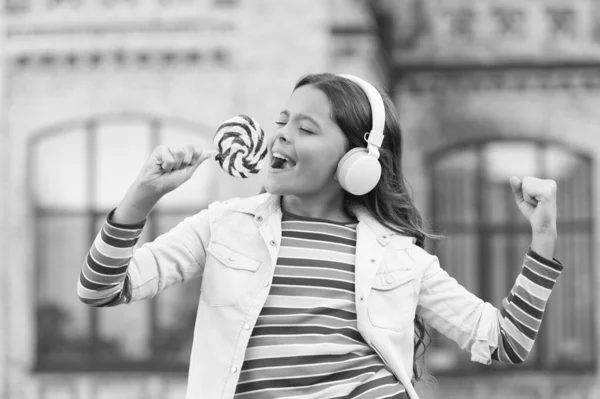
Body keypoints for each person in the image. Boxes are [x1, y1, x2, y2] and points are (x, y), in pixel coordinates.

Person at [78, 73, 563, 399]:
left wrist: (543, 237)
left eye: (307, 129)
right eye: (282, 122)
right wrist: (141, 198)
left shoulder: (399, 257)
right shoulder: (224, 225)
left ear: (357, 164)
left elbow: (505, 341)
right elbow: (100, 288)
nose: (282, 135)